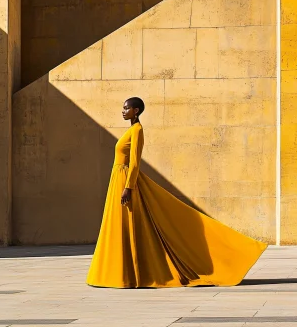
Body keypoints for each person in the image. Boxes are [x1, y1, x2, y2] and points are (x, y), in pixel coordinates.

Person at [87, 97, 267, 289]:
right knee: (120, 224)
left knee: (131, 223)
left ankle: (128, 274)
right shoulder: (131, 130)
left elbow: (135, 162)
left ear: (136, 111)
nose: (123, 111)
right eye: (123, 108)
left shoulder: (137, 131)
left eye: (126, 108)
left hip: (124, 182)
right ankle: (118, 272)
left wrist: (128, 187)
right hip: (118, 179)